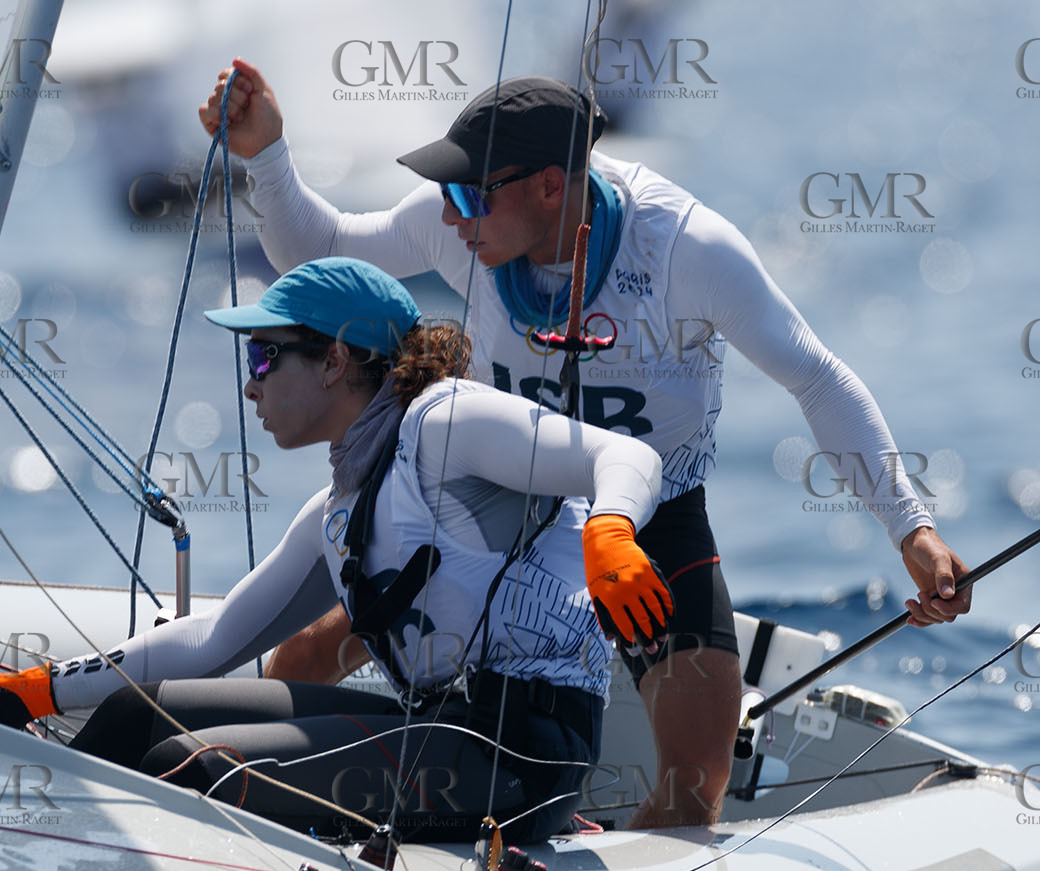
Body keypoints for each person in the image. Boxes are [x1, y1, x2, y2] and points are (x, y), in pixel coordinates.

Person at [197, 65, 973, 829]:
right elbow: (322, 248)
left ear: (548, 186)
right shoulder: (462, 218)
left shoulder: (688, 249)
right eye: (449, 191)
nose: (453, 210)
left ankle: (584, 863)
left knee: (697, 781)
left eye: (472, 193)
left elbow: (817, 378)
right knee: (308, 652)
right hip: (496, 502)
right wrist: (266, 154)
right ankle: (273, 818)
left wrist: (912, 529)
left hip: (648, 522)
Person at [0, 256, 670, 845]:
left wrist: (610, 532)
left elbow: (625, 457)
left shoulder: (445, 421)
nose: (250, 384)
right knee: (136, 717)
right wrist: (33, 691)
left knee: (194, 766)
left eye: (264, 355)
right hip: (452, 726)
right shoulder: (339, 509)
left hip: (528, 759)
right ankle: (17, 852)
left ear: (334, 359)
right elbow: (212, 639)